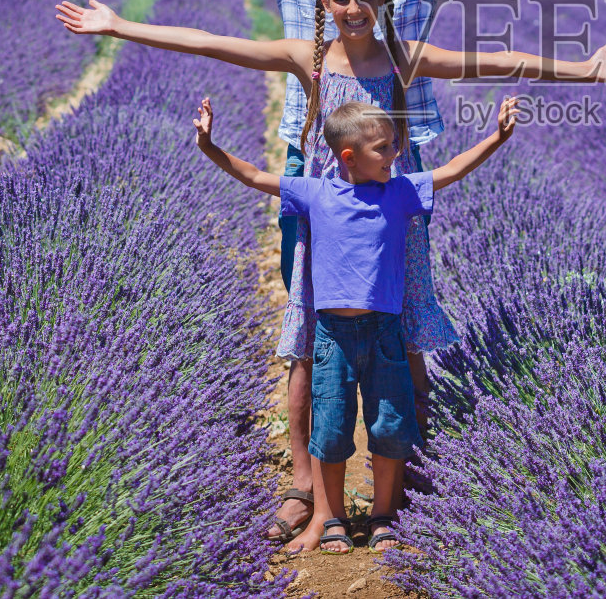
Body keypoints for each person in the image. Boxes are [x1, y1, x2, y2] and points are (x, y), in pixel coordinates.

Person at [21, 0, 606, 536]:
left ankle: (408, 479)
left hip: (396, 171)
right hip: (313, 166)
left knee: (403, 325)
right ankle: (306, 487)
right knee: (312, 330)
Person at [191, 94, 520, 554]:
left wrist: (497, 138)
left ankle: (384, 516)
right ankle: (334, 521)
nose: (394, 156)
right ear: (350, 157)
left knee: (389, 426)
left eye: (393, 147)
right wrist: (209, 145)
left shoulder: (400, 191)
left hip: (386, 334)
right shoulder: (316, 193)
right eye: (384, 148)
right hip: (333, 339)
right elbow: (253, 175)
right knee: (331, 431)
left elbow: (453, 170)